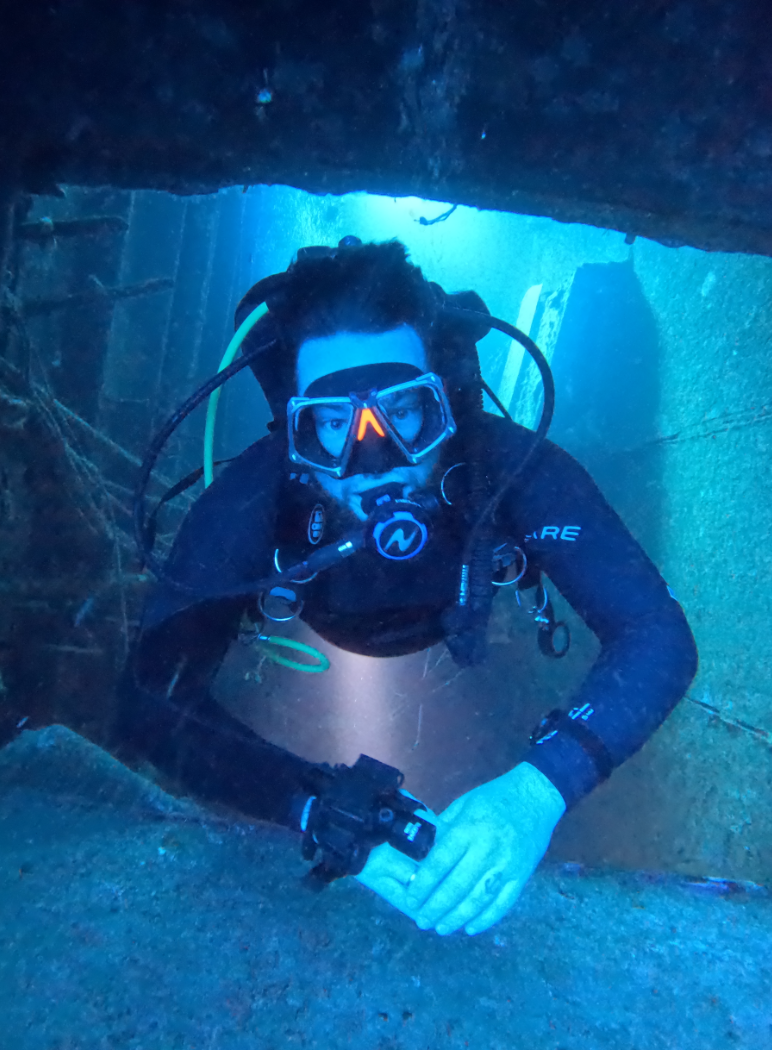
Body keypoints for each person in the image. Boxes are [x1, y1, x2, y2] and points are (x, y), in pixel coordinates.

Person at [114, 239, 697, 937]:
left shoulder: (507, 467)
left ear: (444, 400)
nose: (373, 458)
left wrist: (537, 791)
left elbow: (655, 633)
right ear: (296, 431)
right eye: (333, 424)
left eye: (403, 410)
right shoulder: (257, 493)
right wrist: (310, 802)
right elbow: (150, 696)